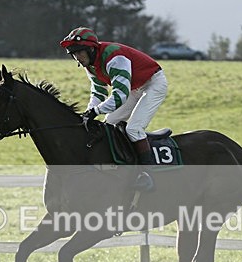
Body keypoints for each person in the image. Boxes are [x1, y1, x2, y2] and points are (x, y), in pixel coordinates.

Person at [59, 26, 168, 170]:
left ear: (91, 49)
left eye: (79, 52)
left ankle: (147, 172)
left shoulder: (115, 57)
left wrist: (96, 111)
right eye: (73, 54)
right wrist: (89, 111)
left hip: (153, 83)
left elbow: (120, 96)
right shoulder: (90, 65)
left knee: (133, 129)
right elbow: (98, 92)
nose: (77, 58)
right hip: (133, 88)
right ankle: (120, 165)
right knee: (109, 124)